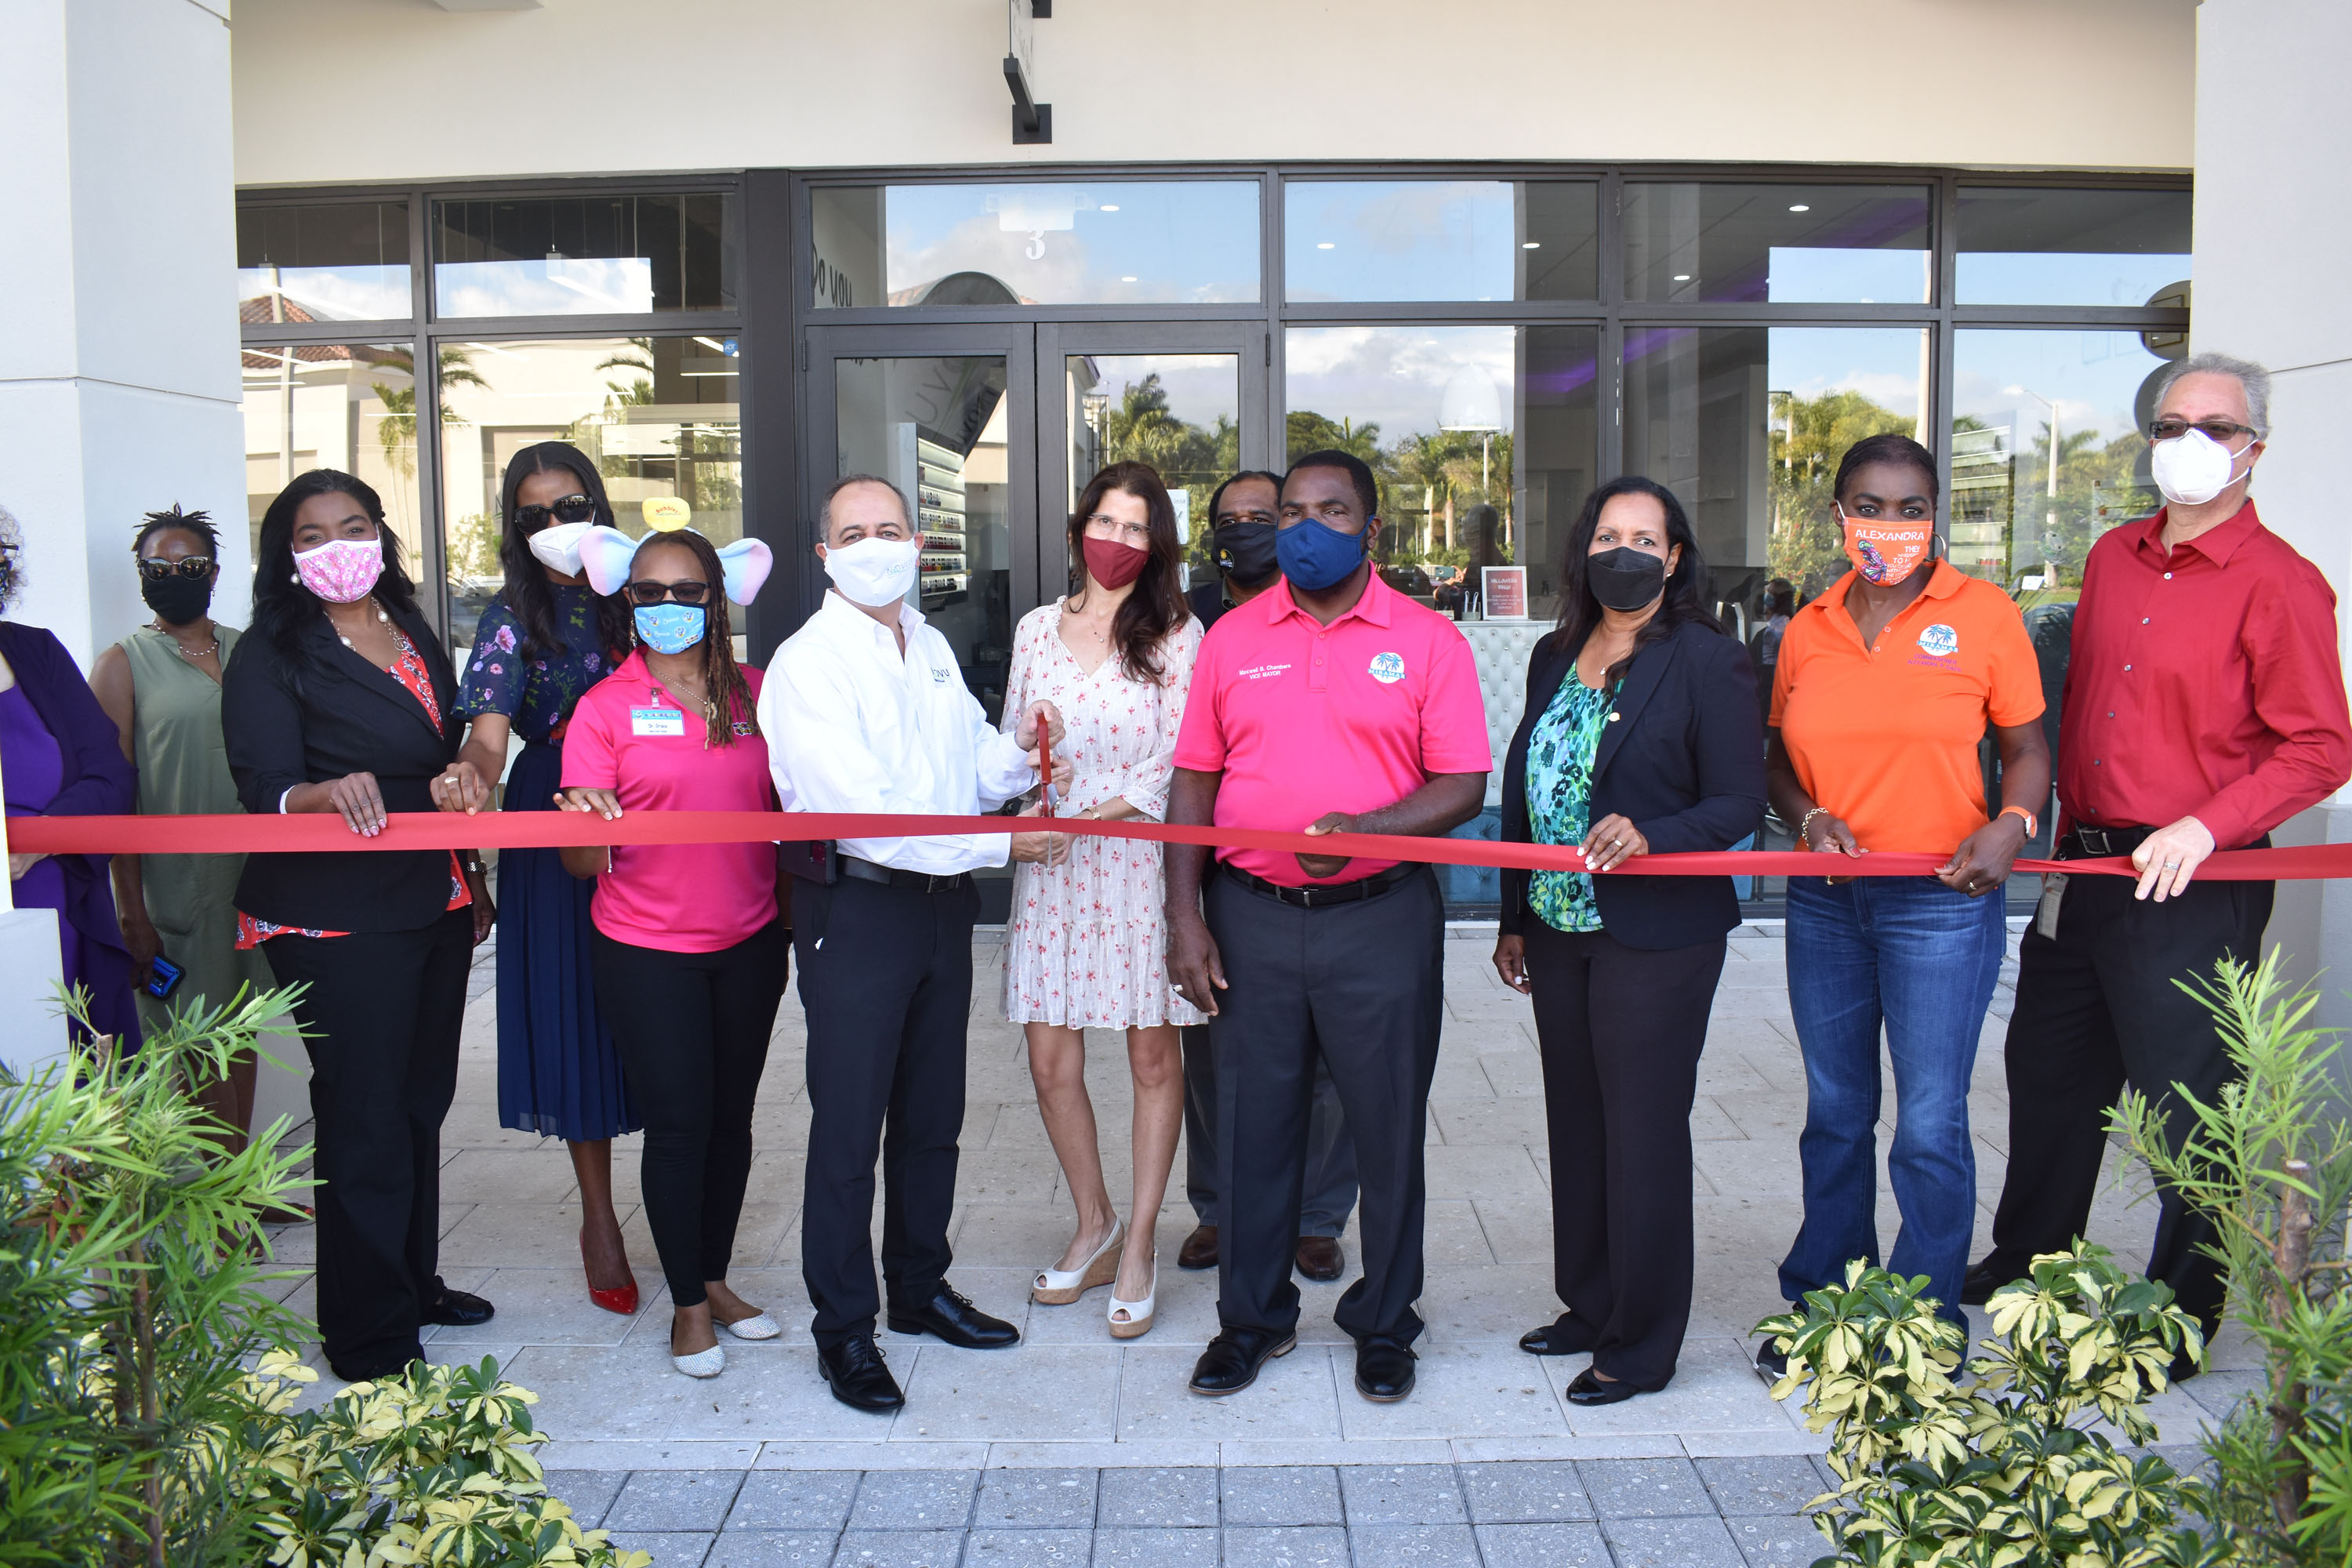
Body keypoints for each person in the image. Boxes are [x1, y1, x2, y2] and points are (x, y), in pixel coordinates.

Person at [1967, 354, 2352, 1362]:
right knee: (2049, 1073)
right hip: (2082, 870)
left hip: (2191, 879)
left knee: (2188, 1104)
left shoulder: (2283, 584)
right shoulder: (2112, 556)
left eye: (2217, 427)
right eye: (2174, 422)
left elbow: (2320, 744)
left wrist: (2208, 823)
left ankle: (2182, 1312)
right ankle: (2028, 1259)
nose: (2191, 442)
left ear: (2254, 450)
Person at [1167, 449, 1490, 1404]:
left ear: (1372, 529)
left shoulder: (1429, 639)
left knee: (1386, 1129)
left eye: (1332, 510)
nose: (1307, 528)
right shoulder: (1229, 636)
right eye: (1293, 511)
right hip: (1251, 915)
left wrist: (1367, 831)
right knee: (1252, 1125)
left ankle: (1386, 1319)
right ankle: (1253, 1320)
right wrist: (1184, 913)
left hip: (1380, 919)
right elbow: (1195, 776)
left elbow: (1463, 781)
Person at [761, 474, 1066, 1412]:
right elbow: (868, 818)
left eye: (889, 528)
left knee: (933, 1113)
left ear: (917, 542)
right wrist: (1004, 842)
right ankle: (844, 1329)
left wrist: (1020, 753)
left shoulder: (927, 641)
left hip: (938, 907)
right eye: (853, 531)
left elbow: (969, 763)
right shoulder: (806, 663)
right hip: (858, 907)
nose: (874, 543)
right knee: (851, 1126)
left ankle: (919, 1288)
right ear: (825, 552)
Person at [1757, 434, 2049, 1377]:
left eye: (1911, 505)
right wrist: (1809, 819)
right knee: (1836, 1110)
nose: (1891, 524)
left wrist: (2014, 819)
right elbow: (1777, 761)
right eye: (1871, 505)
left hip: (1941, 899)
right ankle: (1831, 1307)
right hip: (1829, 901)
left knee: (1929, 1119)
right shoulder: (1810, 624)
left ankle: (1923, 1326)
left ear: (1936, 515)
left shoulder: (1986, 614)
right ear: (1838, 515)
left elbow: (2030, 746)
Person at [1492, 477, 1766, 1403]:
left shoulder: (1706, 659)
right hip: (1560, 926)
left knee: (1642, 1130)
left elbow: (1738, 801)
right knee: (1577, 1121)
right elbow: (1526, 791)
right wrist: (1513, 914)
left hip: (1657, 934)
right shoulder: (1552, 652)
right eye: (1609, 532)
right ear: (1584, 548)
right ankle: (1591, 1301)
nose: (1626, 550)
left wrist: (1657, 833)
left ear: (1674, 556)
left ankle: (1643, 1342)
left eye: (1645, 537)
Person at [223, 470, 495, 1383]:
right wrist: (319, 792)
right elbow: (265, 785)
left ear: (381, 533)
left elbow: (445, 743)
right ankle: (368, 1333)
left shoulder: (410, 625)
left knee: (419, 1104)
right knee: (365, 1114)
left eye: (352, 525)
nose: (336, 545)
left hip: (434, 894)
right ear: (286, 554)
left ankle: (411, 1285)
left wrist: (464, 771)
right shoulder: (269, 649)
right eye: (310, 534)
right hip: (335, 910)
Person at [557, 523, 787, 1380]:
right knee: (681, 1120)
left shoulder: (757, 696)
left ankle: (717, 1276)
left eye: (685, 590)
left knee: (732, 1121)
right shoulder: (604, 707)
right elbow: (582, 862)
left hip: (753, 941)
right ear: (626, 601)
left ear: (715, 598)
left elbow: (794, 804)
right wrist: (583, 821)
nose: (666, 606)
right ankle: (687, 1303)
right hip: (646, 948)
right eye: (647, 592)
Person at [435, 443, 642, 1317]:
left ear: (599, 501)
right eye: (536, 515)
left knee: (667, 1006)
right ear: (516, 529)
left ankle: (687, 1203)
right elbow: (487, 732)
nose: (559, 525)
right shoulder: (510, 615)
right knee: (578, 1013)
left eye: (573, 505)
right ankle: (600, 1215)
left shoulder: (641, 592)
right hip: (557, 813)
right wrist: (470, 773)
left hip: (655, 803)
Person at [1005, 460, 1203, 1340]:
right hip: (1049, 865)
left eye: (1136, 528)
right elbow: (1015, 743)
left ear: (1156, 542)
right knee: (1052, 1062)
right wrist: (1026, 770)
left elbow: (1175, 762)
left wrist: (1086, 816)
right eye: (1106, 522)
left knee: (1151, 1058)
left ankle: (1143, 1243)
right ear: (1079, 525)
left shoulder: (1176, 633)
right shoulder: (1036, 629)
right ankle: (1095, 1220)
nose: (1117, 541)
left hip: (1133, 867)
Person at [1175, 470, 1359, 1280]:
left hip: (1343, 890)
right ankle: (1220, 1206)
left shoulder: (1326, 605)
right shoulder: (1191, 618)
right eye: (1235, 518)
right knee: (1218, 1055)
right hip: (1228, 877)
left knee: (1326, 1063)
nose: (1251, 528)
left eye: (1265, 514)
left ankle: (1316, 1214)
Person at [92, 506, 277, 1126]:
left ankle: (240, 1184)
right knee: (192, 1036)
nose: (175, 575)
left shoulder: (249, 650)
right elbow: (112, 794)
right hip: (177, 883)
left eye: (189, 565)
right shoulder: (122, 663)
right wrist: (130, 908)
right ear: (141, 574)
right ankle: (221, 1208)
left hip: (255, 874)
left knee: (241, 1026)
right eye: (159, 566)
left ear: (215, 573)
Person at [0, 504, 140, 1045]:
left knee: (69, 1075)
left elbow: (110, 774)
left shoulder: (36, 651)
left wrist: (40, 840)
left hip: (60, 900)